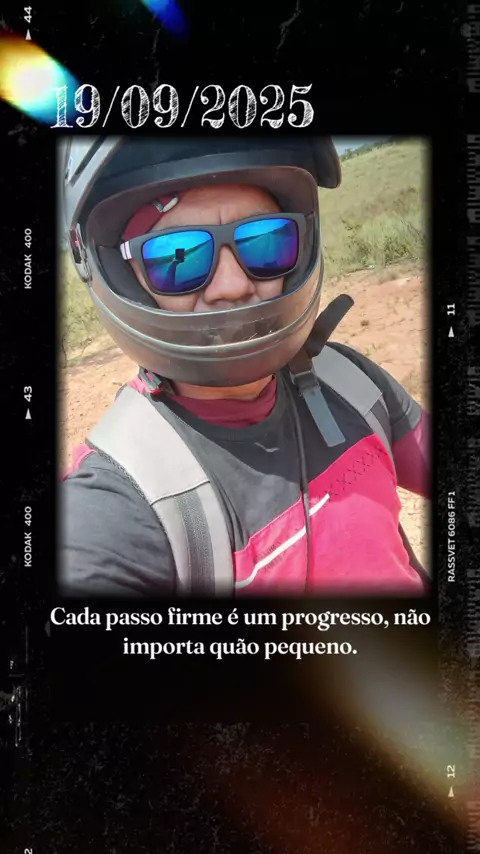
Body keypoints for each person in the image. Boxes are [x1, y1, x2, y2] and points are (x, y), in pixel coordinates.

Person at [60, 137, 430, 597]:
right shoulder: (122, 497)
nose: (232, 286)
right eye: (178, 257)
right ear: (124, 274)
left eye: (265, 242)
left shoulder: (349, 380)